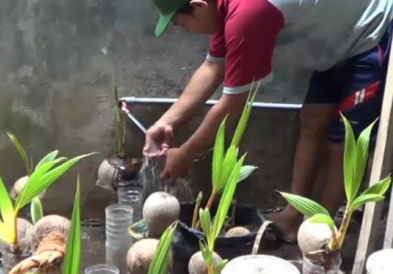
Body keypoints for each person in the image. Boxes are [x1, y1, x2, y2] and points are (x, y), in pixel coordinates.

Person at [143, 0, 393, 242]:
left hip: (371, 35)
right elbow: (212, 67)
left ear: (198, 6)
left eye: (181, 24)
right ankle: (294, 214)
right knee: (311, 120)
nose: (185, 31)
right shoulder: (224, 9)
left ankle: (322, 231)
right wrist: (167, 122)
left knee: (344, 141)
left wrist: (187, 153)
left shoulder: (248, 13)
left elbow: (234, 104)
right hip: (339, 44)